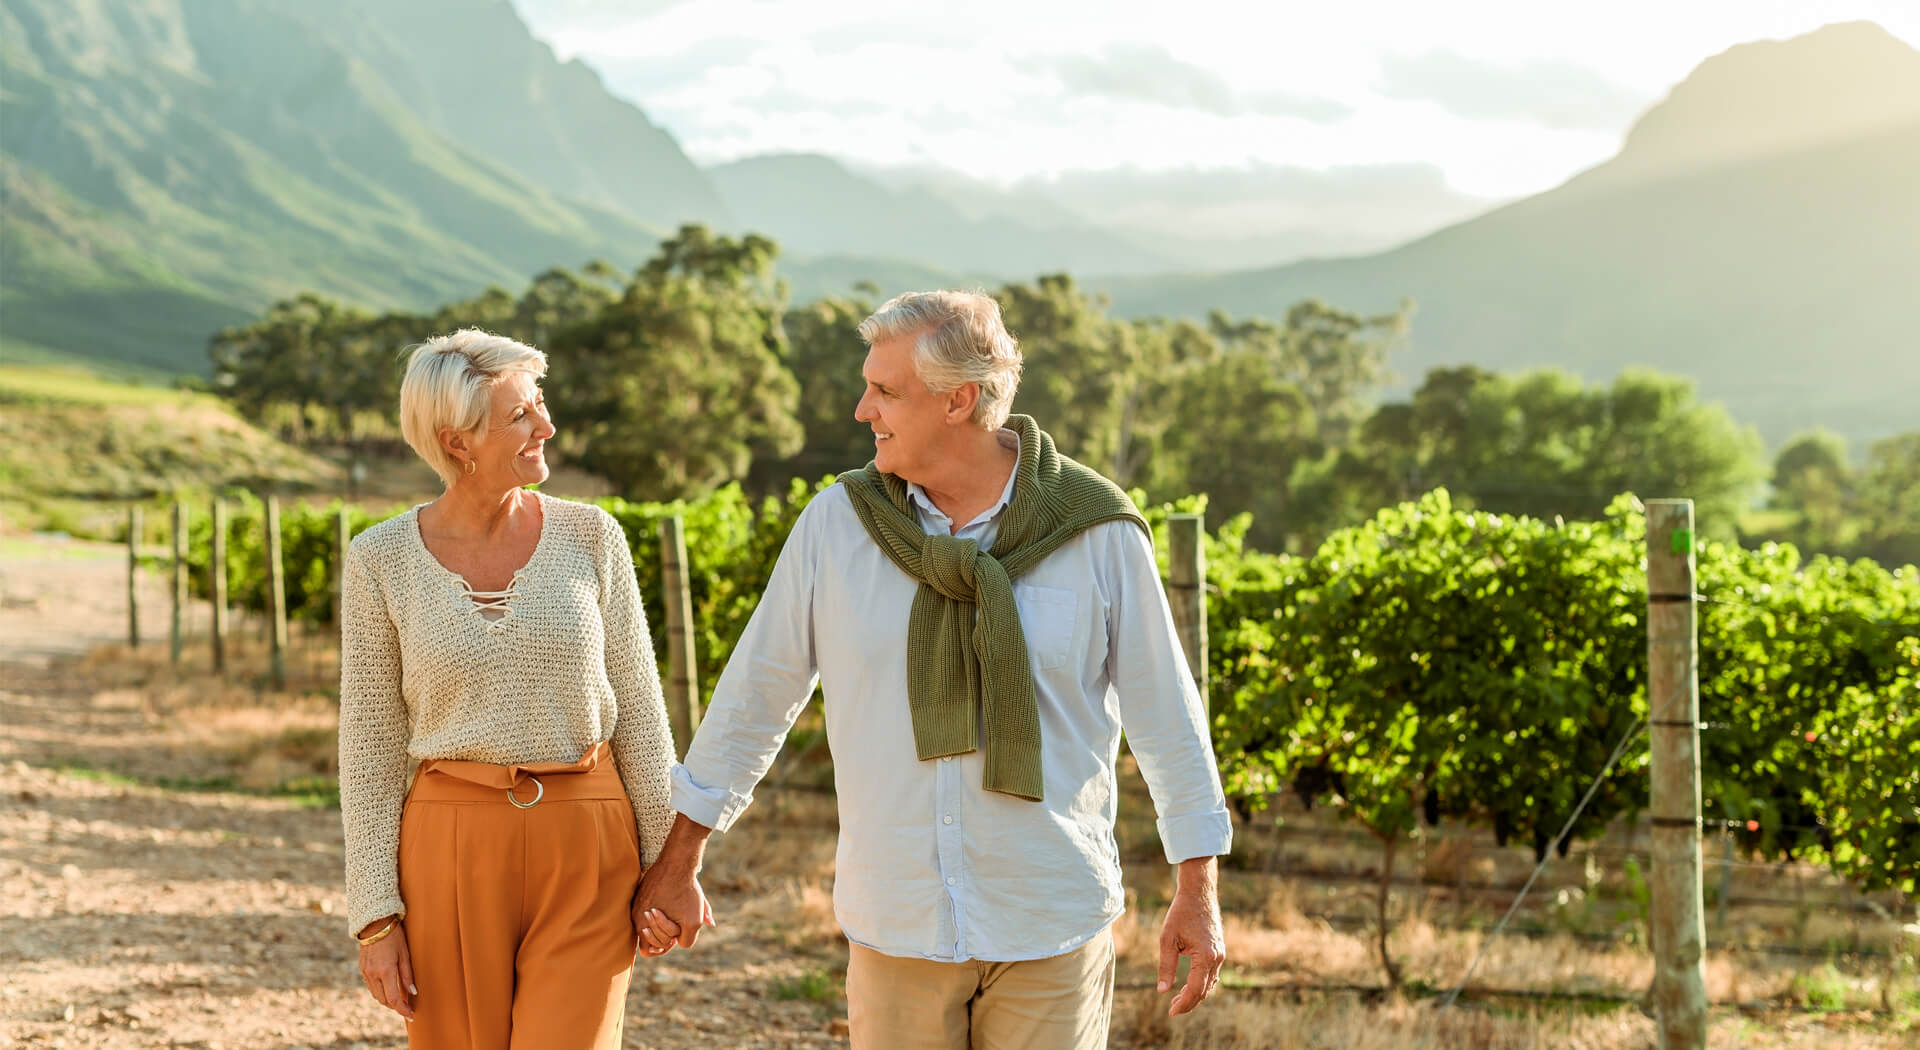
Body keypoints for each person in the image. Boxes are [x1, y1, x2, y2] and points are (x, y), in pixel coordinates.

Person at [632, 291, 1231, 1049]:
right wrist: (682, 855)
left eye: (884, 391)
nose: (861, 410)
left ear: (959, 401)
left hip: (1049, 922)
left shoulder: (1097, 531)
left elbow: (1168, 718)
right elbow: (757, 696)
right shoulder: (838, 526)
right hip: (897, 923)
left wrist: (1198, 889)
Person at [339, 329, 677, 1049]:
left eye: (540, 405)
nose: (546, 427)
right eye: (521, 414)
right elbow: (369, 751)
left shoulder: (594, 538)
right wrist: (376, 915)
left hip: (589, 846)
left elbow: (643, 720)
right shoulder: (379, 561)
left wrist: (672, 866)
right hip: (448, 848)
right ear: (457, 441)